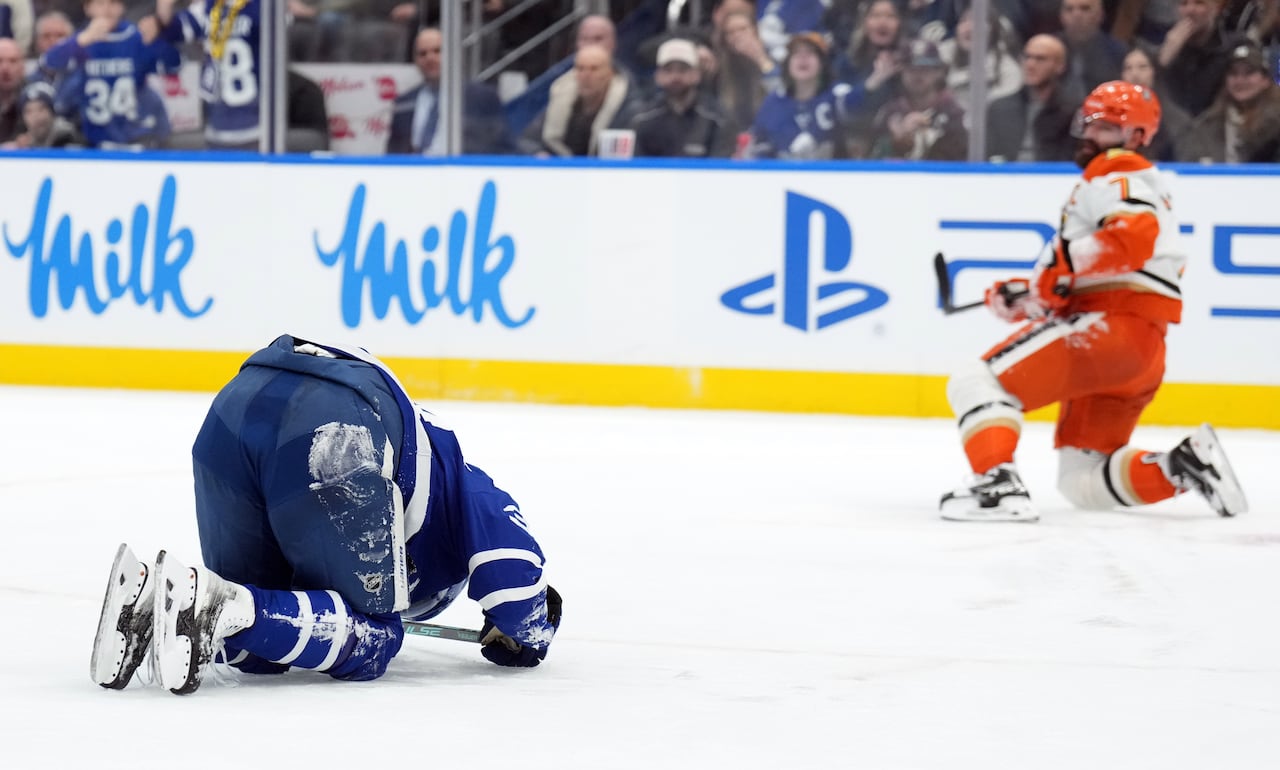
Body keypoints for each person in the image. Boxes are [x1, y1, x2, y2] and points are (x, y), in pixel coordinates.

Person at [91, 334, 563, 695]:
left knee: (259, 647)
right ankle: (222, 608)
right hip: (335, 427)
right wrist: (532, 632)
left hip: (232, 410)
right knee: (376, 637)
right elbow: (519, 585)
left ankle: (148, 605)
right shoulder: (469, 485)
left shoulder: (431, 481)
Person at [939, 81, 1248, 524]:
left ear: (1136, 136)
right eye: (1089, 123)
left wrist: (1056, 273)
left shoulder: (1119, 173)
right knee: (1082, 480)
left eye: (1105, 127)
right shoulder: (1128, 182)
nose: (1090, 134)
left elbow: (1129, 241)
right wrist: (1029, 293)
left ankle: (997, 486)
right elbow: (1094, 270)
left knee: (978, 381)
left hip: (1108, 328)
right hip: (1136, 349)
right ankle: (1181, 466)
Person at [39, 0, 179, 149]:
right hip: (92, 140)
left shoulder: (136, 37)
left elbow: (174, 65)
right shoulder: (81, 40)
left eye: (113, 3)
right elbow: (47, 63)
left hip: (135, 136)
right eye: (100, 3)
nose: (107, 9)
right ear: (88, 8)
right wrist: (80, 42)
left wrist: (158, 40)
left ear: (122, 7)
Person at [386, 27, 515, 156]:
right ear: (415, 60)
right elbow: (393, 154)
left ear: (451, 54)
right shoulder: (404, 103)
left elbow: (504, 149)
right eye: (422, 54)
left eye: (437, 51)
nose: (430, 58)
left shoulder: (483, 98)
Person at [155, 0, 262, 150]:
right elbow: (173, 29)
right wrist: (164, 6)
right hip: (218, 122)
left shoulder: (260, 7)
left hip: (255, 125)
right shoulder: (207, 7)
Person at [519, 43, 640, 157]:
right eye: (580, 68)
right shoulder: (561, 99)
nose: (586, 75)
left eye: (594, 69)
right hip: (564, 168)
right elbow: (527, 140)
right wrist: (537, 152)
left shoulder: (631, 110)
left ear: (610, 73)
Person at [630, 37, 735, 157]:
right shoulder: (642, 119)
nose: (675, 77)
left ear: (697, 74)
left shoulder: (717, 120)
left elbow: (721, 165)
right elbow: (634, 164)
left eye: (683, 70)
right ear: (658, 76)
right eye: (668, 70)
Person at [1176, 40, 1280, 161]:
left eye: (1249, 73)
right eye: (1233, 73)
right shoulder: (1208, 123)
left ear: (1266, 80)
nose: (1240, 81)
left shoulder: (1276, 125)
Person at [865, 38, 968, 160]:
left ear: (939, 72)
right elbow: (872, 158)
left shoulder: (954, 113)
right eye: (911, 68)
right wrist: (897, 141)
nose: (918, 75)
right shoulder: (890, 112)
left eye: (925, 69)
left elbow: (964, 158)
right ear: (901, 71)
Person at [985, 34, 1081, 161]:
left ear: (1060, 66)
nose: (1030, 64)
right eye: (1027, 57)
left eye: (1040, 59)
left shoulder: (1072, 112)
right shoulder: (1000, 108)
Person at [0, 80, 79, 147]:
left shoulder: (67, 138)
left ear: (52, 111)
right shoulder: (24, 141)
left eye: (41, 109)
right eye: (29, 111)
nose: (36, 116)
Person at [0, 36, 21, 143]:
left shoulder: (35, 99)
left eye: (13, 61)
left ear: (23, 66)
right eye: (0, 61)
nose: (5, 68)